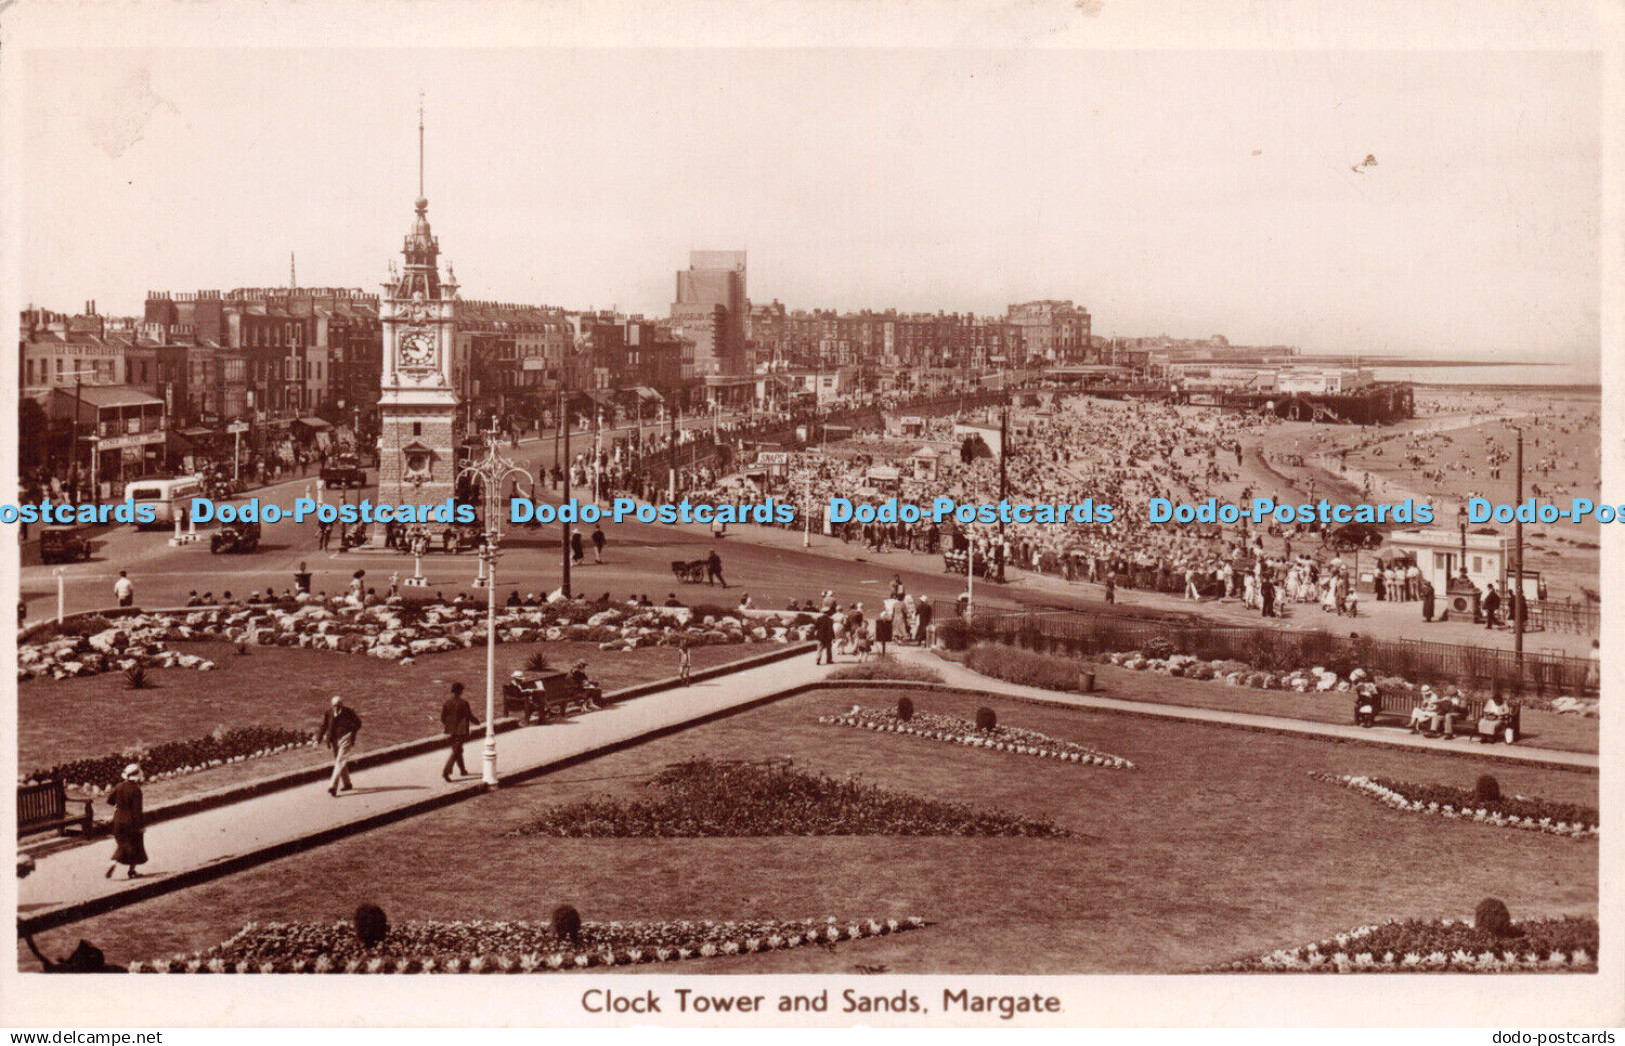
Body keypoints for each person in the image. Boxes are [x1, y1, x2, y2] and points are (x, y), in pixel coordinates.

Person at [104, 764, 147, 880]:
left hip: (118, 820)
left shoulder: (118, 786)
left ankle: (113, 862)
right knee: (136, 844)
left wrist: (118, 804)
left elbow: (109, 800)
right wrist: (140, 826)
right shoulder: (136, 790)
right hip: (130, 822)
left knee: (123, 844)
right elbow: (137, 811)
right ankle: (131, 870)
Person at [317, 695, 362, 796]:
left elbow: (358, 724)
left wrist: (350, 733)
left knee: (339, 761)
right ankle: (347, 784)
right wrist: (318, 739)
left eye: (337, 705)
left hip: (345, 739)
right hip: (334, 741)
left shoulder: (348, 712)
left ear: (341, 704)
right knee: (341, 761)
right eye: (334, 706)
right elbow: (324, 726)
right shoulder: (329, 713)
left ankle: (332, 786)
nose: (336, 707)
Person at [440, 682, 478, 781]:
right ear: (461, 691)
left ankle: (462, 770)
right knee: (456, 751)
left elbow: (443, 718)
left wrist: (449, 726)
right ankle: (446, 771)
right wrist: (477, 722)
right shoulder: (464, 703)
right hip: (461, 731)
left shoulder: (447, 703)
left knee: (458, 750)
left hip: (451, 730)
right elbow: (469, 715)